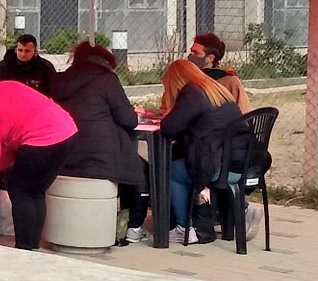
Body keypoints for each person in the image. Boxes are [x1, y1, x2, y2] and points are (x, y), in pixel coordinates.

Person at [51, 42, 150, 243]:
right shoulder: (107, 80)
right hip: (99, 158)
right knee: (141, 172)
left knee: (130, 166)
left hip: (63, 155)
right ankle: (133, 228)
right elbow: (128, 120)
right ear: (105, 62)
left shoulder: (59, 81)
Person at [160, 59, 257, 245]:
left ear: (176, 80)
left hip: (219, 165)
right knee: (185, 164)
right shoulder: (216, 90)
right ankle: (243, 208)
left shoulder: (192, 93)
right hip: (240, 164)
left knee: (171, 172)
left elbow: (169, 127)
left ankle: (184, 228)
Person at [0, 77, 77, 249]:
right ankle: (32, 246)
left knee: (20, 190)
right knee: (35, 191)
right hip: (66, 131)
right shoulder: (1, 88)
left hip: (43, 137)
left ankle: (23, 249)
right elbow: (10, 149)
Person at [188, 33, 251, 113]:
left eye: (196, 53)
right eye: (191, 52)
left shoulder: (228, 81)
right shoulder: (182, 77)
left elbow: (245, 114)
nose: (190, 55)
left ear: (210, 58)